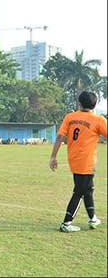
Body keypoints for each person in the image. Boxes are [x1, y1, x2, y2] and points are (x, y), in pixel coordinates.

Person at [49, 91, 107, 233]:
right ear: (95, 104)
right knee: (80, 191)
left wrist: (53, 157)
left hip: (74, 159)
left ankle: (92, 218)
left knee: (88, 189)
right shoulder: (98, 120)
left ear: (79, 103)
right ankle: (66, 223)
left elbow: (59, 137)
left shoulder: (70, 117)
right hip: (87, 161)